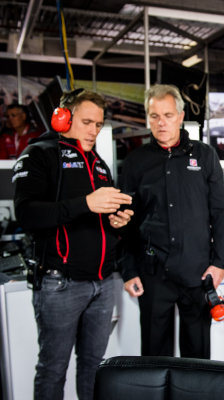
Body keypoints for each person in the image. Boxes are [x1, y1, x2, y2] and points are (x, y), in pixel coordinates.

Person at [12, 89, 134, 400]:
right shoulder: (38, 154)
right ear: (62, 118)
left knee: (95, 367)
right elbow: (27, 214)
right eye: (87, 122)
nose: (93, 130)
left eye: (98, 124)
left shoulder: (99, 164)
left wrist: (117, 223)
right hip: (59, 284)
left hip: (103, 283)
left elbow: (101, 217)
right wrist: (86, 203)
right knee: (53, 368)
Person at [120, 84, 224, 358]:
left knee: (197, 358)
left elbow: (220, 212)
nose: (161, 123)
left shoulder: (204, 156)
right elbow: (124, 223)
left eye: (168, 115)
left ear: (181, 116)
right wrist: (128, 269)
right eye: (154, 116)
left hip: (197, 273)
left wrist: (219, 263)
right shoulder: (135, 162)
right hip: (153, 274)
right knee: (155, 358)